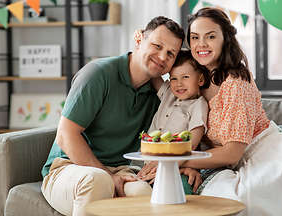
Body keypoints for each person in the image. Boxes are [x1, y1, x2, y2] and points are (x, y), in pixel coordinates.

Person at [145, 7, 282, 215]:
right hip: (229, 164)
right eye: (195, 37)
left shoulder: (236, 82)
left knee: (241, 202)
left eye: (211, 36)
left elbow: (233, 152)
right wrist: (142, 46)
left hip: (265, 155)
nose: (202, 44)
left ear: (225, 39)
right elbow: (160, 78)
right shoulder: (194, 80)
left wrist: (174, 161)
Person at [40, 16, 191, 216]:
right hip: (68, 168)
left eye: (170, 53)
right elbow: (65, 135)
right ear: (139, 40)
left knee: (142, 192)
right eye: (157, 45)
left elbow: (183, 123)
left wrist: (187, 164)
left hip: (120, 170)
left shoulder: (159, 95)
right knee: (98, 180)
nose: (162, 57)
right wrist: (106, 175)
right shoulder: (98, 74)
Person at [135, 48, 210, 194]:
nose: (179, 83)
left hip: (177, 166)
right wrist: (141, 46)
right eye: (174, 78)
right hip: (146, 163)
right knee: (139, 192)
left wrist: (170, 167)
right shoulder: (168, 93)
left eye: (185, 77)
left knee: (179, 190)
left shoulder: (198, 105)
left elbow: (192, 144)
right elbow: (152, 73)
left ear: (200, 79)